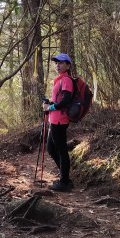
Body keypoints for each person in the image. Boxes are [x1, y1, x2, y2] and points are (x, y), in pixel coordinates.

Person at [42, 53, 74, 192]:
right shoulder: (59, 79)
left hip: (60, 120)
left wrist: (51, 107)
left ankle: (64, 182)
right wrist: (50, 102)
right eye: (56, 63)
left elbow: (66, 100)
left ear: (68, 65)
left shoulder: (66, 79)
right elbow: (59, 99)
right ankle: (65, 176)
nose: (57, 65)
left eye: (61, 63)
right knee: (51, 148)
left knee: (61, 150)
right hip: (54, 119)